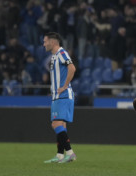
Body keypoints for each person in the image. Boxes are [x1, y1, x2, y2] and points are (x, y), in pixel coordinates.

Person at [43, 32, 77, 163]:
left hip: (63, 95)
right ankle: (60, 155)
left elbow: (72, 68)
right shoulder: (54, 57)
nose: (44, 44)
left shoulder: (62, 53)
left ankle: (70, 153)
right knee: (61, 125)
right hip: (58, 96)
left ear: (53, 42)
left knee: (55, 123)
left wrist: (64, 86)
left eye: (45, 41)